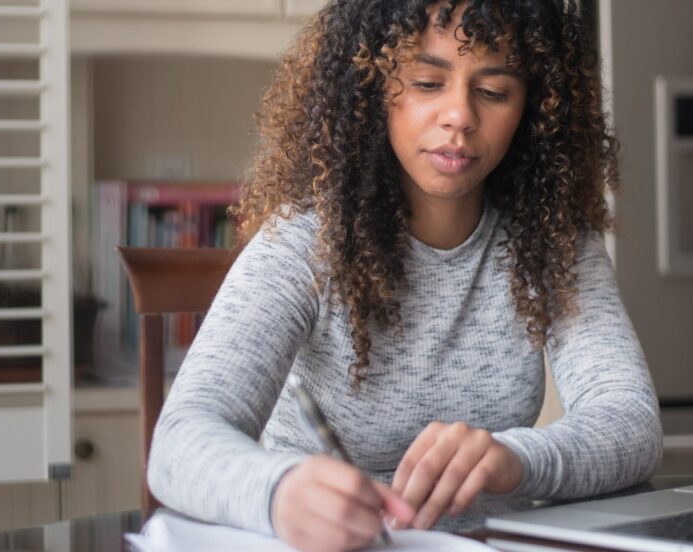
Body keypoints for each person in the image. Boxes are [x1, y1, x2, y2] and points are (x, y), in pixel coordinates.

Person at [148, 1, 663, 550]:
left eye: (493, 92)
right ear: (371, 87)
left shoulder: (551, 242)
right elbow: (181, 440)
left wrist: (515, 457)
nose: (460, 115)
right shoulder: (305, 242)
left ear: (532, 110)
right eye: (426, 81)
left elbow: (630, 422)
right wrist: (278, 492)